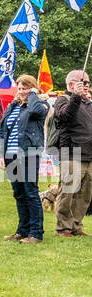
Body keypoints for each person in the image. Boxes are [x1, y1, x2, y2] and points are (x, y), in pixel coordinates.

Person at [0, 73, 46, 243]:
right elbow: (2, 131)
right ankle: (22, 230)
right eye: (19, 88)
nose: (21, 91)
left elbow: (33, 110)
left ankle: (36, 233)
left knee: (31, 192)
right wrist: (0, 155)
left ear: (32, 88)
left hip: (29, 154)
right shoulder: (12, 107)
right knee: (19, 193)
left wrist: (32, 94)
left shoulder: (39, 104)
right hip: (11, 156)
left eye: (25, 88)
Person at [52, 69, 92, 236]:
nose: (88, 86)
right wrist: (75, 97)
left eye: (88, 83)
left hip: (89, 154)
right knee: (68, 192)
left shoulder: (88, 103)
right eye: (84, 83)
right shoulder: (63, 100)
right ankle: (63, 227)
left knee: (85, 194)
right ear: (71, 84)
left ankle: (76, 226)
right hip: (72, 152)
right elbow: (65, 116)